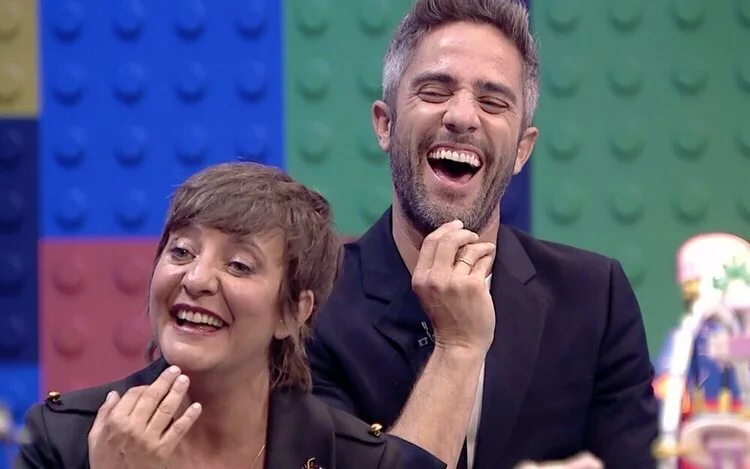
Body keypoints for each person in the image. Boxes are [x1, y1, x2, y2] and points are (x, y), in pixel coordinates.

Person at [306, 0, 659, 468]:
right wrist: (457, 347)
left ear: (522, 150)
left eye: (492, 102)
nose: (462, 116)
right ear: (385, 125)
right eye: (435, 91)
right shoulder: (311, 305)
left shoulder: (596, 299)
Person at [15, 162, 446, 469]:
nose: (197, 278)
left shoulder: (354, 459)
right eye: (181, 251)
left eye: (239, 265)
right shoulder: (63, 441)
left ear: (293, 312)